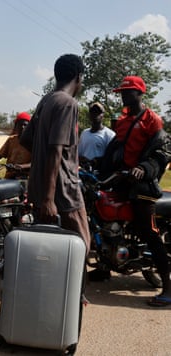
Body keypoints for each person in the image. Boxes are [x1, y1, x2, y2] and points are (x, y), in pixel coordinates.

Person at [20, 54, 91, 254]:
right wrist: (49, 200)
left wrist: (40, 158)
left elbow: (25, 139)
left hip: (39, 188)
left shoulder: (46, 100)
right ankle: (74, 287)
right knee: (81, 248)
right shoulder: (67, 103)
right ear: (78, 77)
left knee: (50, 253)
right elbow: (55, 150)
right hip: (63, 193)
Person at [110, 76, 171, 306]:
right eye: (122, 93)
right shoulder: (123, 120)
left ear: (139, 93)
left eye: (128, 92)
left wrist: (143, 169)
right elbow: (115, 150)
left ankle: (168, 286)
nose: (123, 96)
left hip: (142, 185)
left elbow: (162, 153)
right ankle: (105, 268)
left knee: (148, 232)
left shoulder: (152, 120)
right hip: (122, 181)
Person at [0, 112, 31, 179]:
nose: (22, 127)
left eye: (25, 125)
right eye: (20, 124)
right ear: (16, 126)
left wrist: (21, 167)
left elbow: (36, 163)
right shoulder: (11, 140)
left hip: (25, 178)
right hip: (9, 177)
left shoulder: (33, 142)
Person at [78, 102, 115, 171]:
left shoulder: (110, 134)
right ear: (89, 115)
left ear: (103, 115)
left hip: (100, 173)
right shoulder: (84, 133)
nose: (95, 114)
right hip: (85, 172)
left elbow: (110, 158)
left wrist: (95, 161)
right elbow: (79, 154)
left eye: (98, 112)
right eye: (93, 112)